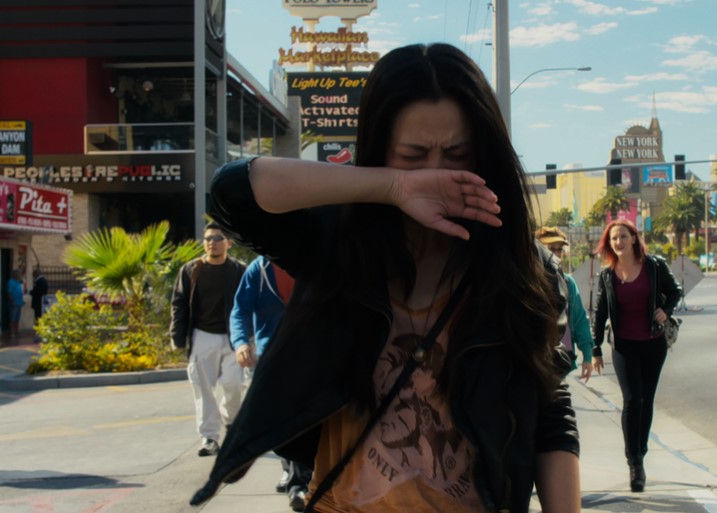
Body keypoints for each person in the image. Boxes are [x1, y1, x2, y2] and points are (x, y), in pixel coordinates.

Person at [191, 43, 579, 513]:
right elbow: (232, 192)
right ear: (379, 152)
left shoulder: (524, 271)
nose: (436, 174)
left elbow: (550, 406)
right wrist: (391, 186)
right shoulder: (338, 247)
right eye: (413, 155)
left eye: (457, 153)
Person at [591, 219, 682, 493]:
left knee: (646, 400)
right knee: (632, 400)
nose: (618, 242)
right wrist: (595, 348)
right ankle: (635, 462)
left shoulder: (654, 265)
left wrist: (665, 310)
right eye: (613, 238)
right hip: (623, 346)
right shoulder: (607, 275)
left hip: (653, 343)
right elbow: (600, 314)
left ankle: (640, 449)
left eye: (622, 236)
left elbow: (675, 291)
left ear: (633, 238)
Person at [229, 255, 311, 511]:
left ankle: (300, 480)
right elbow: (240, 309)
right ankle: (294, 476)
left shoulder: (313, 260)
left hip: (307, 351)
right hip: (271, 355)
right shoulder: (260, 268)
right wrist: (241, 342)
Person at [171, 222, 247, 458]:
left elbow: (247, 304)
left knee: (235, 384)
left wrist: (248, 337)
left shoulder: (239, 270)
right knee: (203, 388)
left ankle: (230, 420)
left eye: (218, 238)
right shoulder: (191, 270)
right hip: (202, 335)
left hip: (233, 338)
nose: (212, 243)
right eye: (208, 239)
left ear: (229, 243)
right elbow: (179, 304)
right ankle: (209, 437)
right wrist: (177, 336)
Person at [535, 227, 594, 382]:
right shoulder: (530, 282)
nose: (556, 254)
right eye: (550, 249)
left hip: (561, 357)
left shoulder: (568, 282)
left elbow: (580, 319)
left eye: (559, 250)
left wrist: (587, 356)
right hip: (535, 357)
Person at [7, 269, 25, 337]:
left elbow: (21, 291)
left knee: (17, 318)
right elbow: (9, 293)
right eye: (19, 274)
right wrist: (12, 301)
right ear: (15, 275)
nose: (20, 276)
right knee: (13, 318)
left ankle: (17, 331)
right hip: (14, 303)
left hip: (19, 302)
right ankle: (12, 332)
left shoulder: (19, 282)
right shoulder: (11, 282)